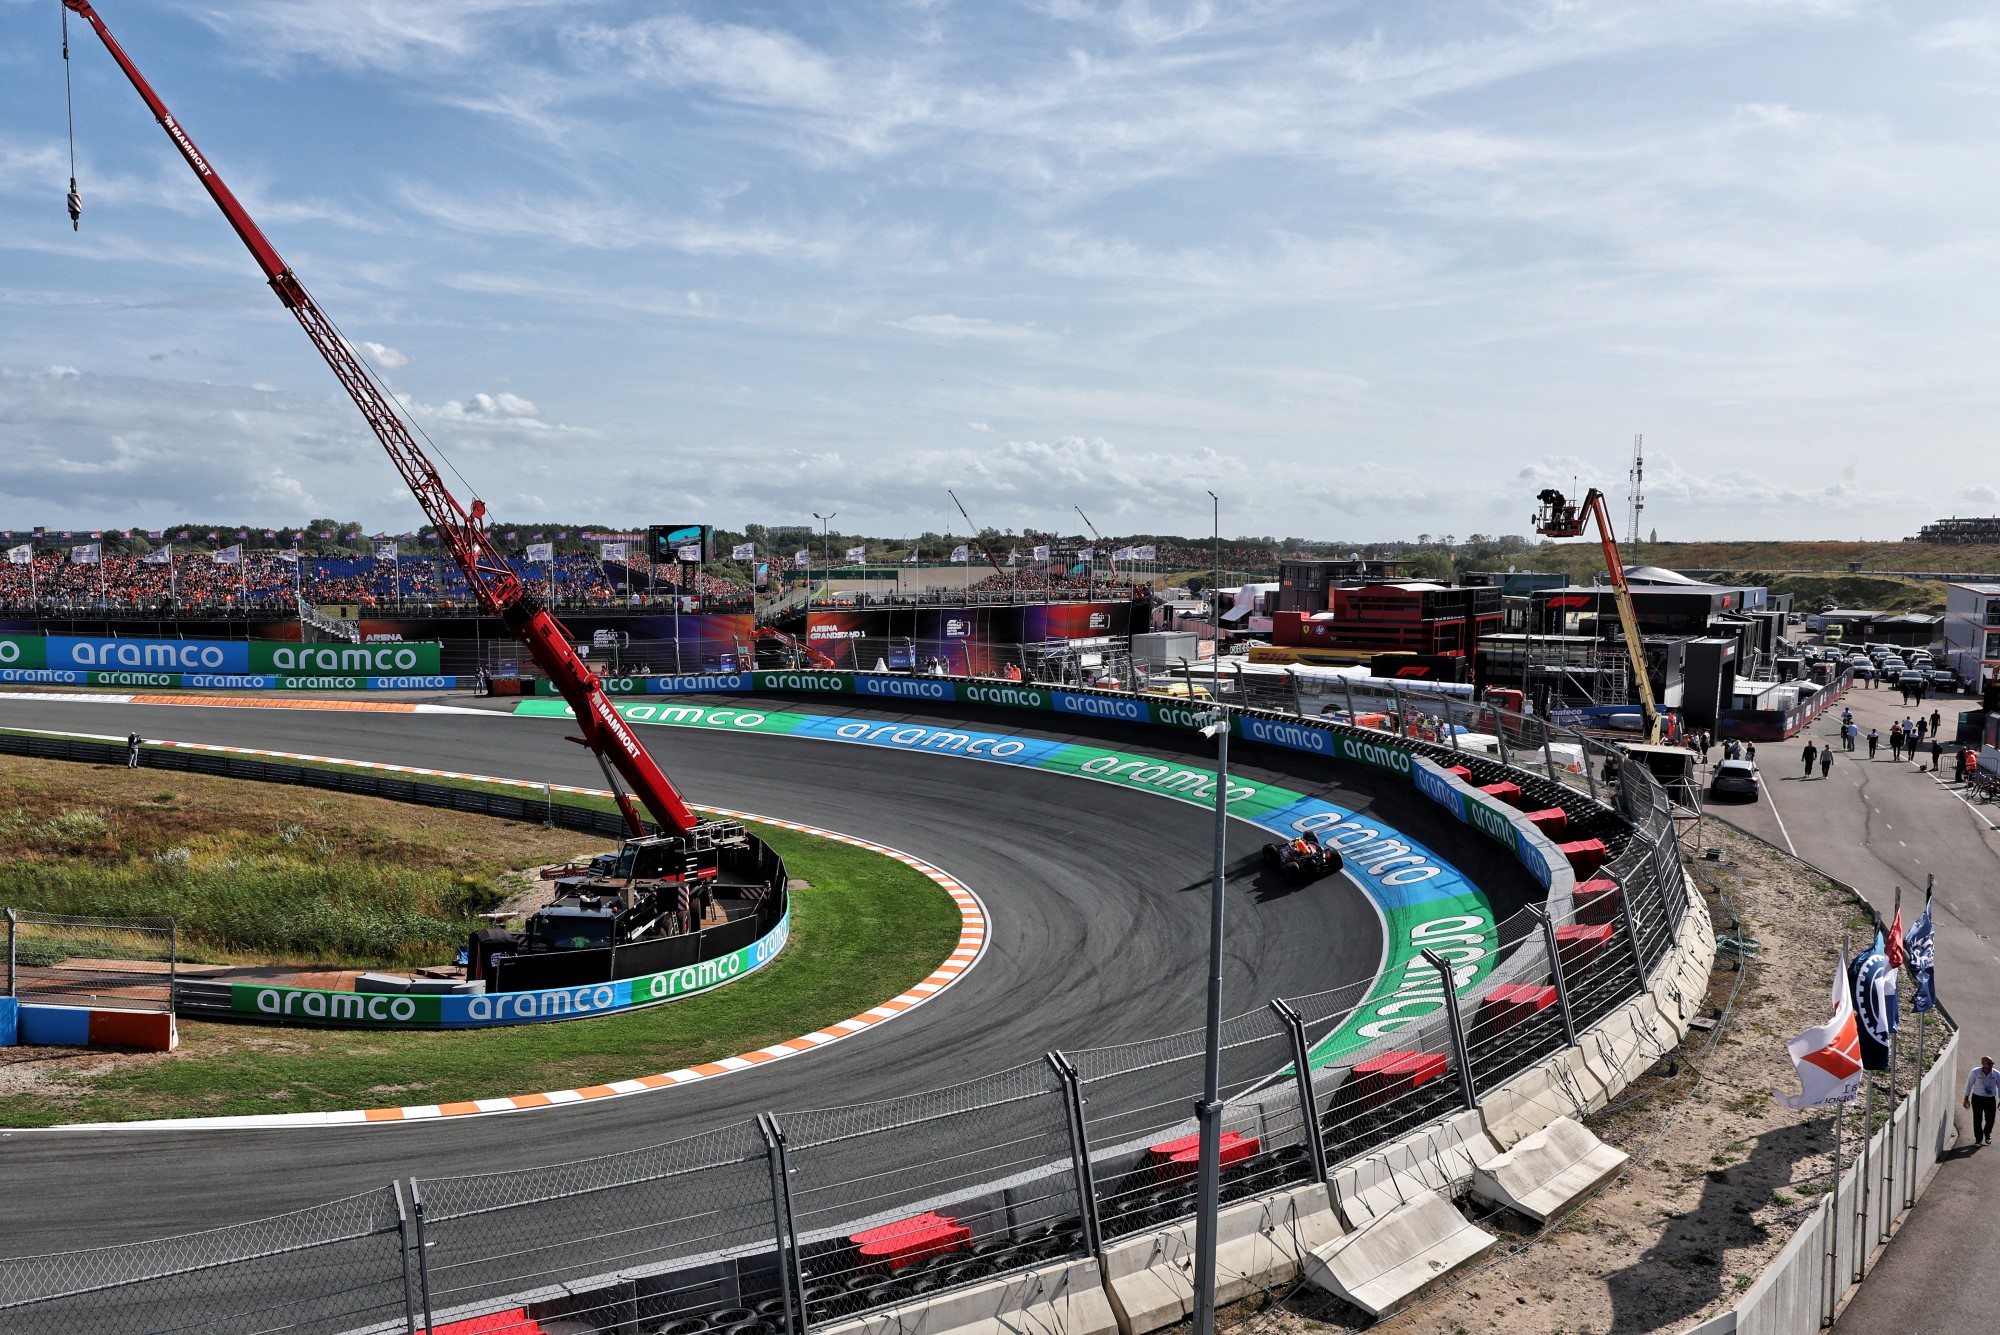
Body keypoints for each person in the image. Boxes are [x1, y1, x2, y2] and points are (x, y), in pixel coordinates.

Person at [1966, 1056, 2000, 1145]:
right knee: (1977, 1119)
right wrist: (1966, 1098)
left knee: (1990, 1119)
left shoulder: (1996, 1074)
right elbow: (1969, 1084)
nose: (1991, 1065)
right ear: (1982, 1063)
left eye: (1992, 1063)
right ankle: (1978, 1139)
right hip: (1977, 1098)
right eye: (1989, 1063)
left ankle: (1987, 1133)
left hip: (1990, 1099)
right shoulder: (1975, 1072)